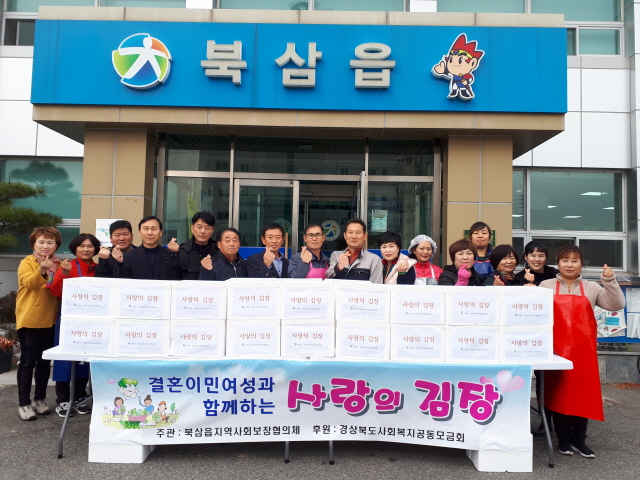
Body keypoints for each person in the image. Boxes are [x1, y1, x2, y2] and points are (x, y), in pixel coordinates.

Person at [539, 245, 625, 458]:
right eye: (565, 260)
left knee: (582, 395)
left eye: (574, 260)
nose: (569, 265)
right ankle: (563, 440)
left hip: (583, 352)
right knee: (558, 394)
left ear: (581, 264)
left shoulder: (592, 287)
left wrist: (609, 281)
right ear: (558, 263)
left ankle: (579, 439)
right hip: (555, 352)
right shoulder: (545, 286)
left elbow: (616, 304)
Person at [49, 233, 101, 417]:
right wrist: (63, 273)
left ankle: (80, 396)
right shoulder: (67, 266)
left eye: (90, 246)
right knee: (65, 359)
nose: (86, 249)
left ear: (95, 249)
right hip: (69, 320)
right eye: (82, 246)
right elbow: (56, 291)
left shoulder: (98, 268)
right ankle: (62, 400)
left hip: (91, 321)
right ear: (75, 248)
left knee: (84, 359)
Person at [15, 227, 62, 421]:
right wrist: (42, 269)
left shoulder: (59, 264)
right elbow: (30, 283)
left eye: (50, 242)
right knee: (27, 363)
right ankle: (24, 403)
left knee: (44, 363)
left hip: (51, 320)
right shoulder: (27, 262)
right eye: (41, 242)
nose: (45, 246)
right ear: (34, 244)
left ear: (56, 245)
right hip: (30, 320)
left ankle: (39, 399)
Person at [113, 216, 180, 280]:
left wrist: (174, 254)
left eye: (154, 229)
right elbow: (121, 281)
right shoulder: (128, 256)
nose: (149, 233)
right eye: (146, 229)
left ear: (160, 232)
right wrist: (120, 263)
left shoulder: (169, 255)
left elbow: (175, 278)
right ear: (139, 232)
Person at [326, 218, 383, 283]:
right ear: (345, 235)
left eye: (358, 233)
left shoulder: (374, 259)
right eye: (350, 232)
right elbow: (328, 277)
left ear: (365, 236)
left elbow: (376, 286)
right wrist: (338, 267)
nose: (354, 236)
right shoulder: (336, 255)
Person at [179, 211, 218, 280]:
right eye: (199, 227)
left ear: (212, 230)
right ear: (192, 229)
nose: (203, 231)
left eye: (207, 228)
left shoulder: (219, 250)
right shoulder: (182, 251)